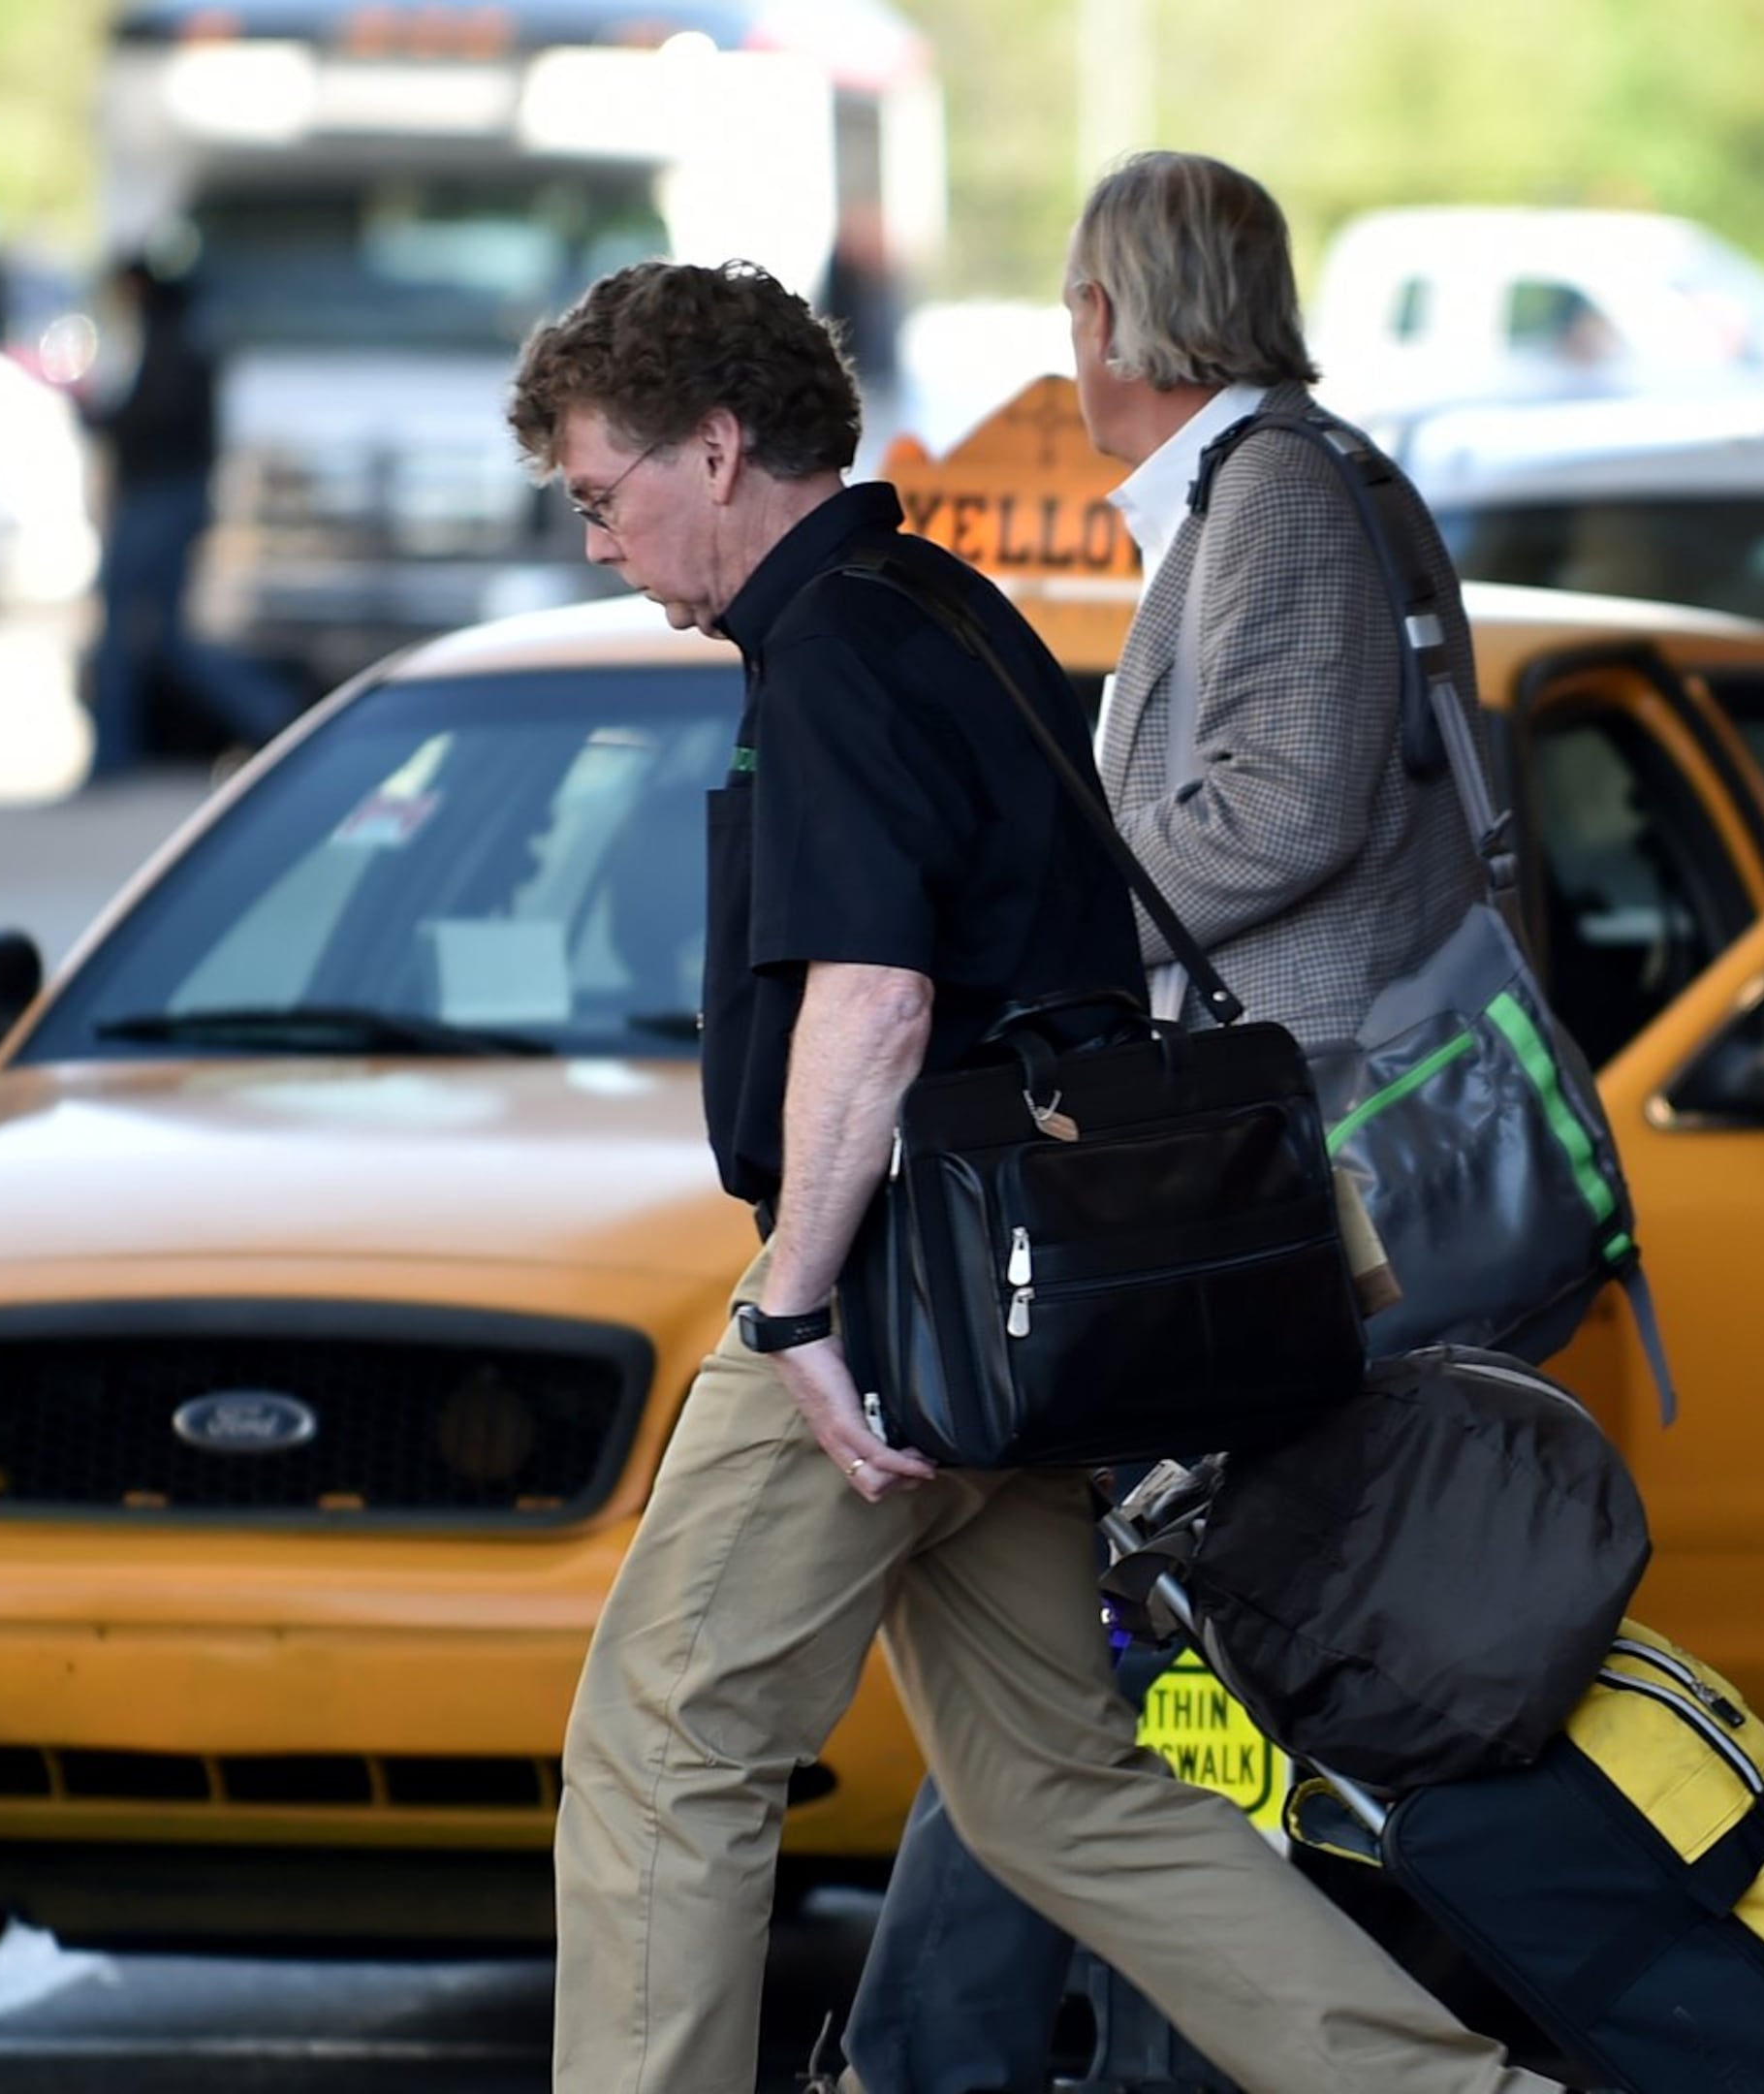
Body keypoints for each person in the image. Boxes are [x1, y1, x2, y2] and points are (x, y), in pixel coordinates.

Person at [521, 258, 1549, 2094]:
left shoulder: (832, 653)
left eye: (602, 496)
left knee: (665, 1753)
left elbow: (879, 996)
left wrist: (798, 1309)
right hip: (1028, 1307)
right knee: (1059, 1789)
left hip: (898, 1298)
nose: (597, 542)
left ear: (722, 445)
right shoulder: (944, 608)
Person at [835, 147, 1500, 2094]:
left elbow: (1285, 812)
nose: (1068, 340)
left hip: (1276, 1159)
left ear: (1111, 319)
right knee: (1117, 1648)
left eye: (1071, 306)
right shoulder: (1266, 488)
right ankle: (1000, 2050)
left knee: (1123, 1648)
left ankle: (980, 2055)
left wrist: (1046, 918)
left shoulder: (1276, 491)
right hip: (1257, 1151)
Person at [80, 256, 299, 779]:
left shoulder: (169, 335)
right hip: (173, 493)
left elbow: (155, 417)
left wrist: (103, 419)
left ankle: (112, 757)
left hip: (161, 494)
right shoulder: (183, 329)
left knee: (122, 630)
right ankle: (273, 712)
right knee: (165, 636)